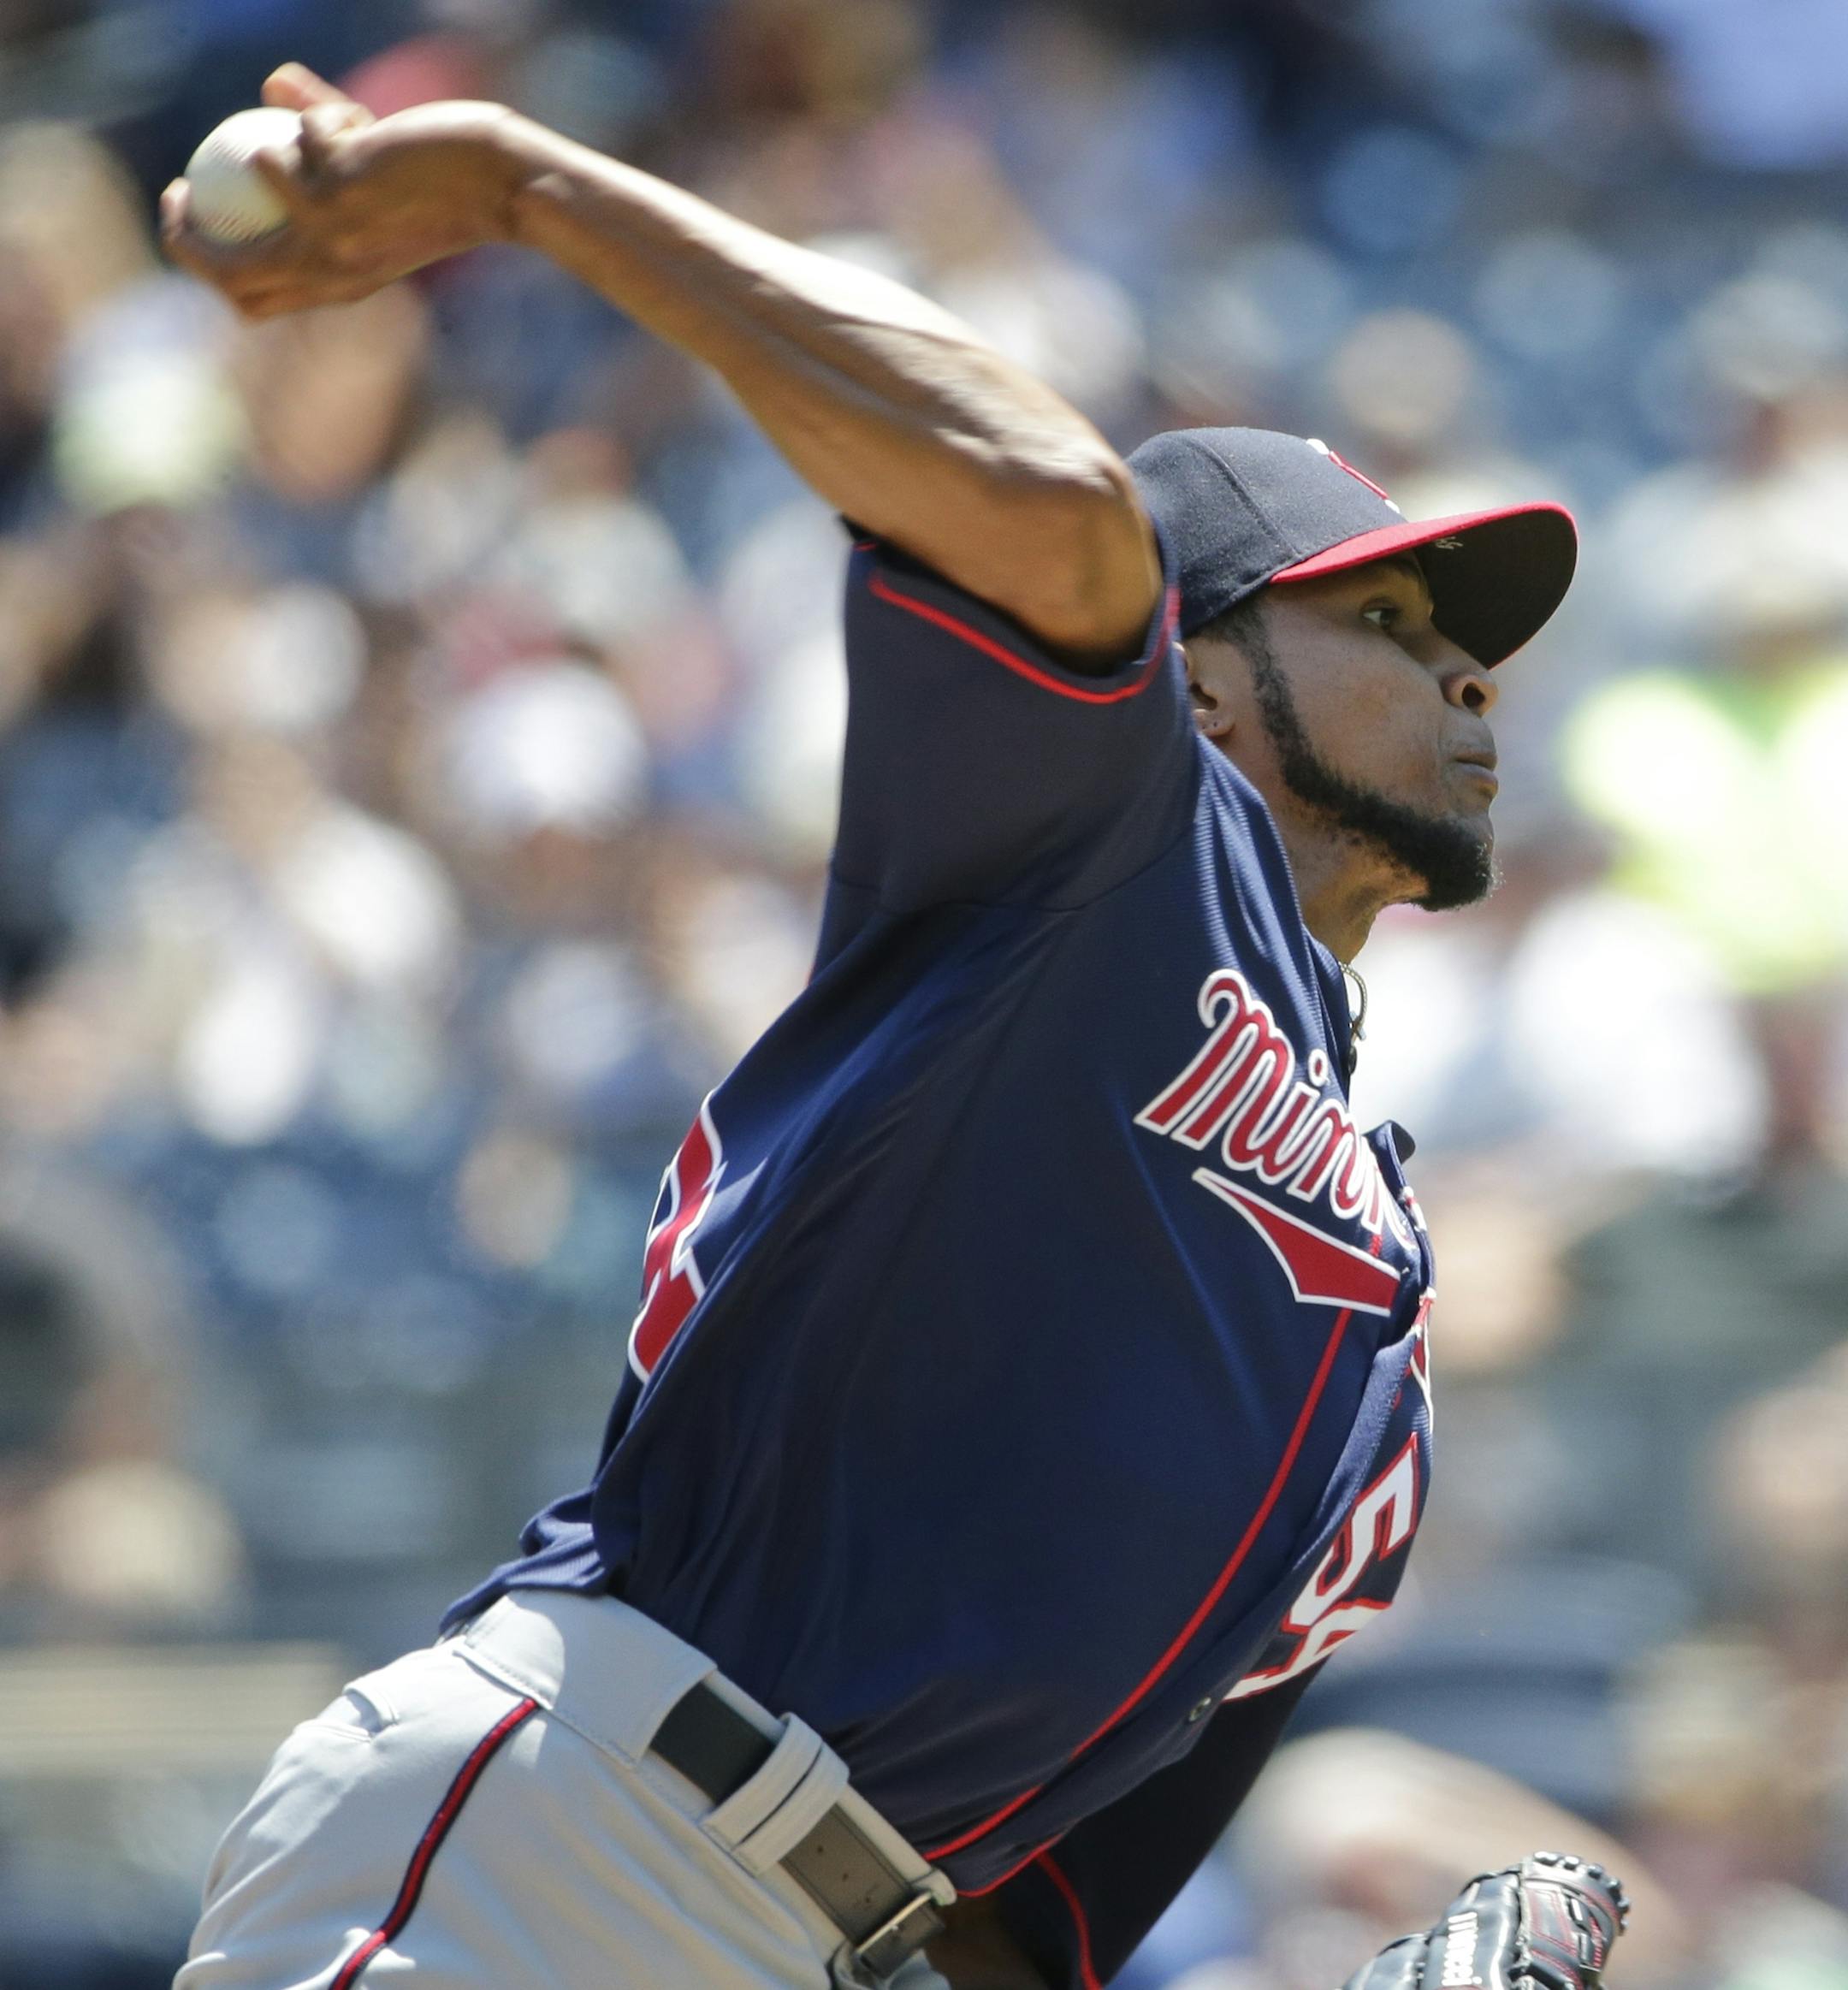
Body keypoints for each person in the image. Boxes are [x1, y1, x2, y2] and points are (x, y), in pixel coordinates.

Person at [163, 62, 1584, 1990]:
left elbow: (1019, 1936)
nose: (1472, 678)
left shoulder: (1386, 1374)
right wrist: (530, 187)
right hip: (584, 1834)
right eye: (1392, 625)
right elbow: (1054, 508)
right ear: (1208, 682)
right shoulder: (1107, 850)